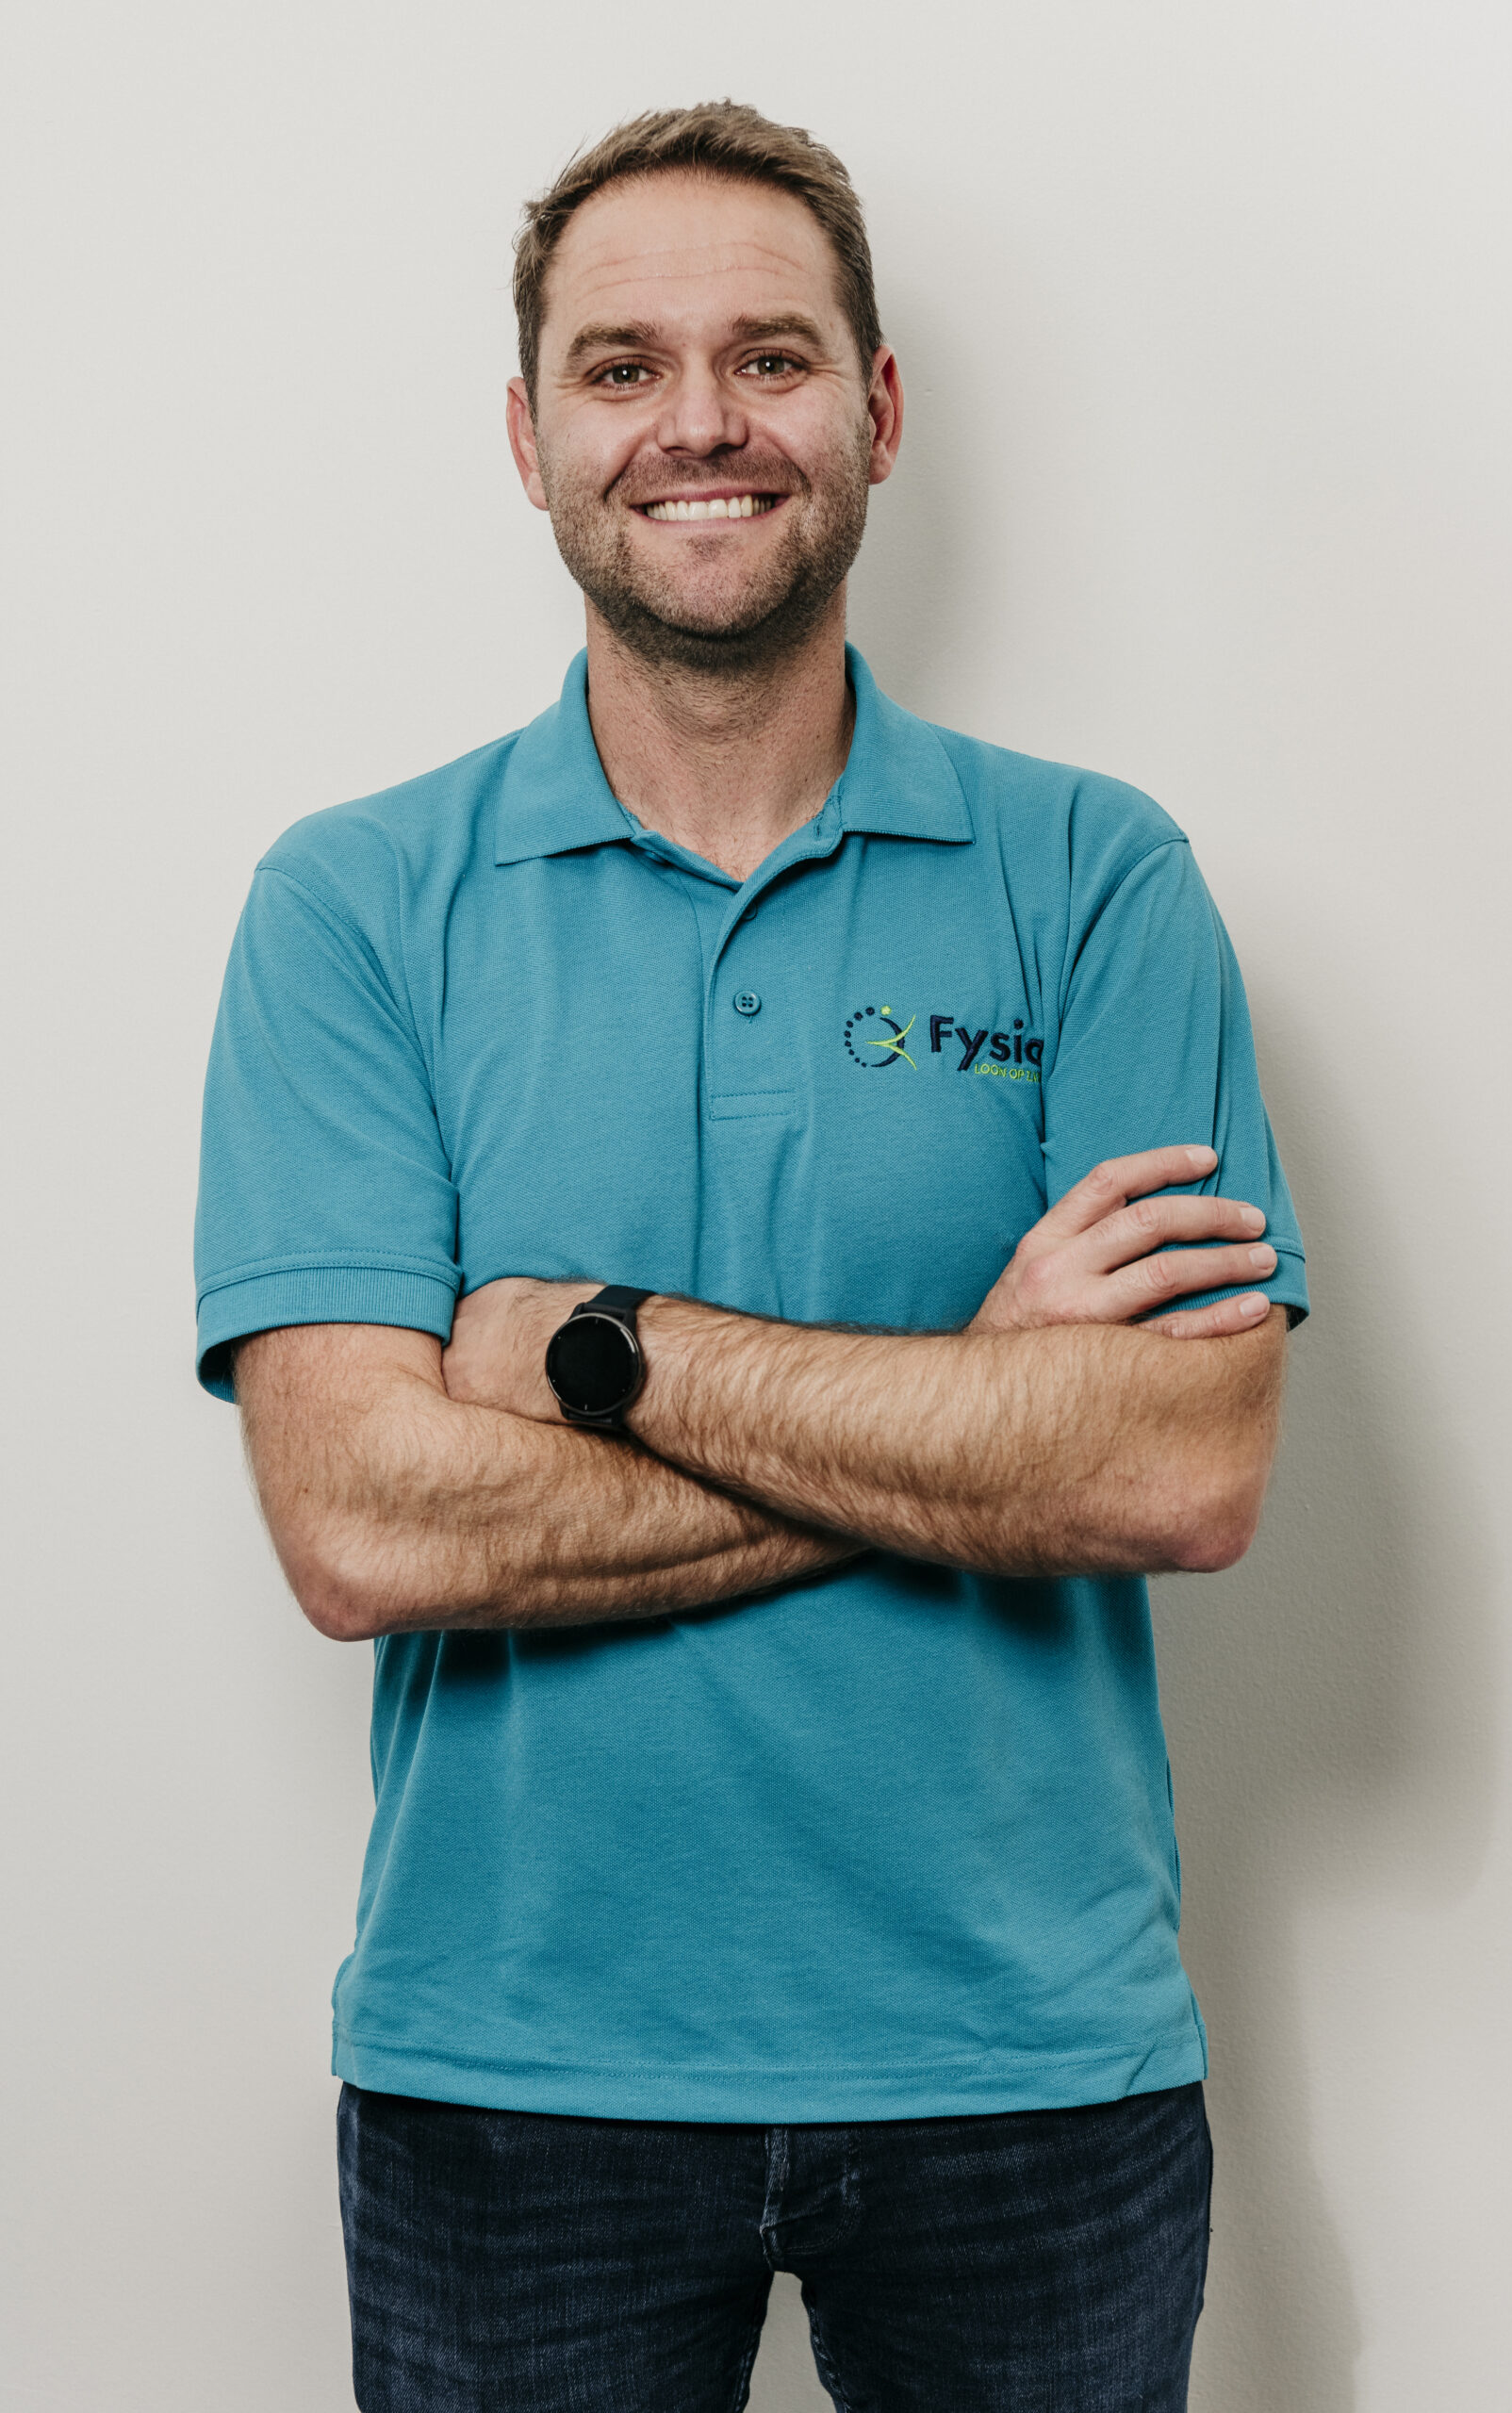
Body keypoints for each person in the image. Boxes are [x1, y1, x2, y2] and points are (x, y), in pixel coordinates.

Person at [194, 100, 1307, 2413]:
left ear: (874, 411)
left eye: (767, 356)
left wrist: (580, 1349)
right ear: (527, 437)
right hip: (514, 2068)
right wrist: (974, 1407)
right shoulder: (354, 909)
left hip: (1028, 2057)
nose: (698, 421)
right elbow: (356, 1520)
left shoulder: (1095, 879)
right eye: (620, 368)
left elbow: (1176, 1471)